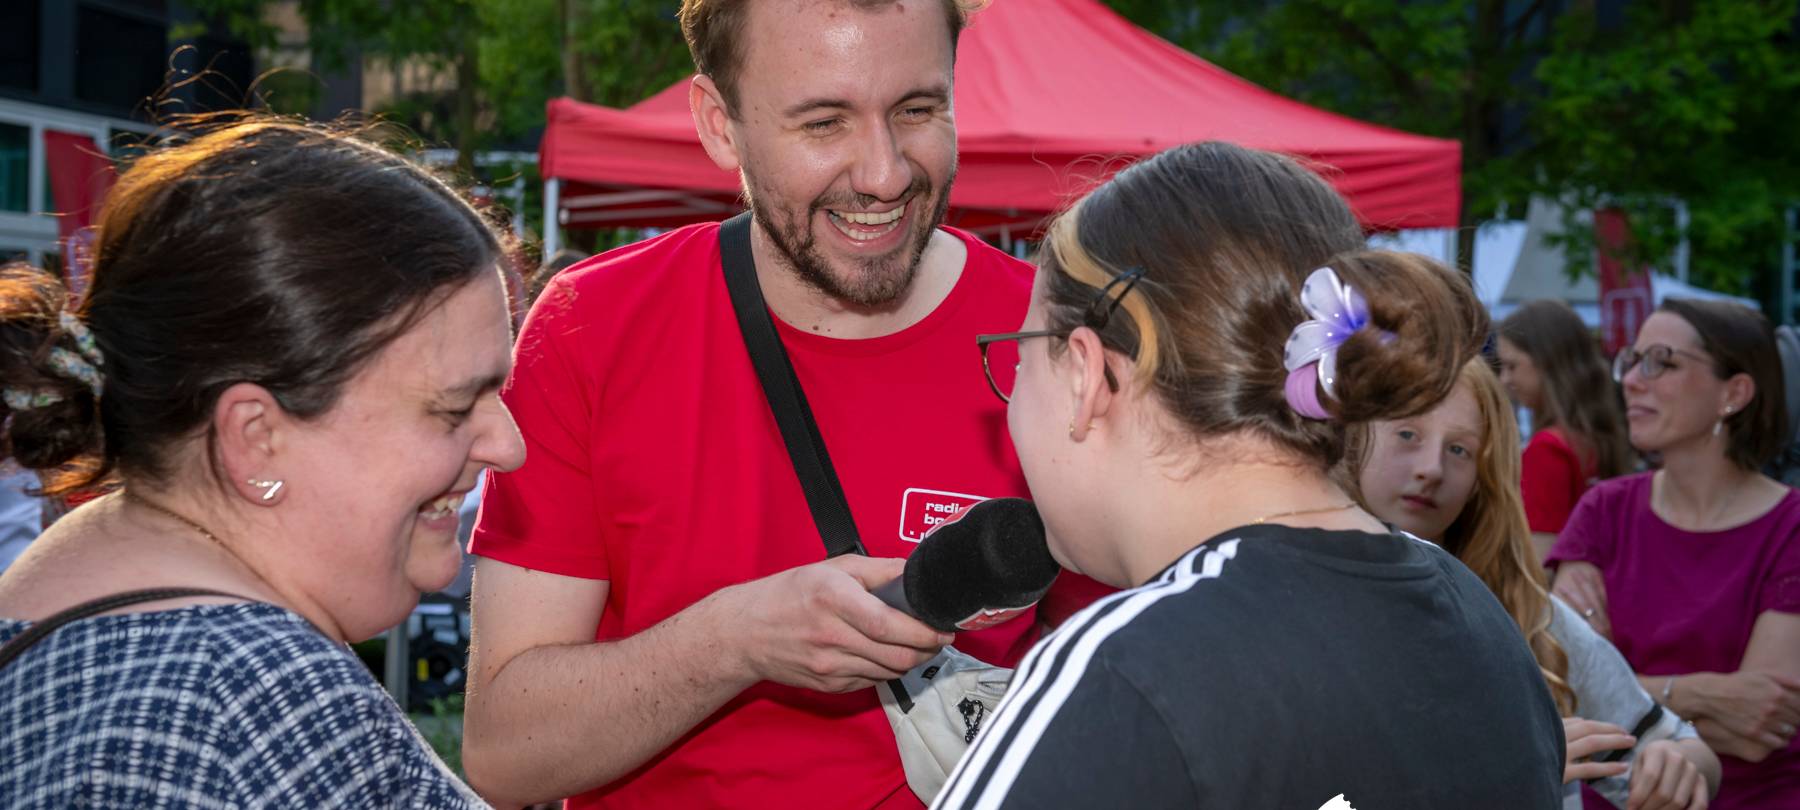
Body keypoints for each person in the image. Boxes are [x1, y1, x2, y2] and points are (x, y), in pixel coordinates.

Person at [459, 2, 1104, 808]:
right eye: (824, 123)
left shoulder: (1051, 340)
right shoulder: (592, 326)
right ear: (720, 125)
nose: (884, 174)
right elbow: (503, 754)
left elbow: (1133, 689)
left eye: (916, 109)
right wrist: (736, 641)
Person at [933, 141, 1565, 809]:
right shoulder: (1477, 617)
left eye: (1021, 357)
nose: (1013, 397)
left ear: (1089, 375)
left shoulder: (1128, 674)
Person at [0, 119, 525, 806]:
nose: (508, 445)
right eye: (454, 408)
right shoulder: (253, 699)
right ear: (255, 438)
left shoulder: (78, 601)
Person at [1344, 357, 1720, 810]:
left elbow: (1683, 749)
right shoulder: (1301, 608)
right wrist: (1504, 771)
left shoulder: (1528, 618)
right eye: (1408, 435)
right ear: (1352, 441)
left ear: (1481, 480)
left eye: (1459, 449)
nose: (1432, 468)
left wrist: (1677, 766)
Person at [1550, 299, 1800, 810]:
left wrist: (1624, 690)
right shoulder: (1602, 511)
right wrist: (1703, 694)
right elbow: (1565, 689)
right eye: (1631, 360)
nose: (1630, 381)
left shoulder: (1790, 527)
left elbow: (1758, 724)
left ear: (1734, 393)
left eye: (1660, 362)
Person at [1497, 299, 1634, 559]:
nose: (1505, 379)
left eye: (1512, 366)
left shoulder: (1548, 448)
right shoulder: (1597, 436)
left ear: (1546, 361)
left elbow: (1540, 559)